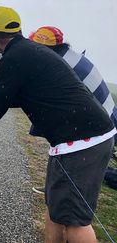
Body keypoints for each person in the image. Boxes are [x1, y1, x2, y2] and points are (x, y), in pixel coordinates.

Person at [0, 6, 115, 242]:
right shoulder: (29, 51)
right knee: (55, 209)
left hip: (81, 143)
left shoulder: (13, 58)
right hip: (83, 139)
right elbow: (17, 97)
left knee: (75, 221)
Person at [28, 26, 117, 194]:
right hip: (104, 115)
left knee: (68, 148)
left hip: (98, 123)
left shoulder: (59, 63)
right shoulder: (70, 56)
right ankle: (54, 187)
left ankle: (58, 190)